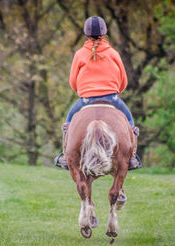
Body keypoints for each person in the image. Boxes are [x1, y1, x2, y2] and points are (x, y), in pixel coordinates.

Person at [55, 16, 141, 171]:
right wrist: (115, 92)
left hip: (86, 100)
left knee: (68, 124)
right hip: (112, 98)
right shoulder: (113, 53)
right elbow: (123, 80)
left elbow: (73, 82)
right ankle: (133, 157)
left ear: (86, 33)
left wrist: (83, 92)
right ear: (105, 32)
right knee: (130, 121)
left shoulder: (80, 54)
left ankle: (65, 156)